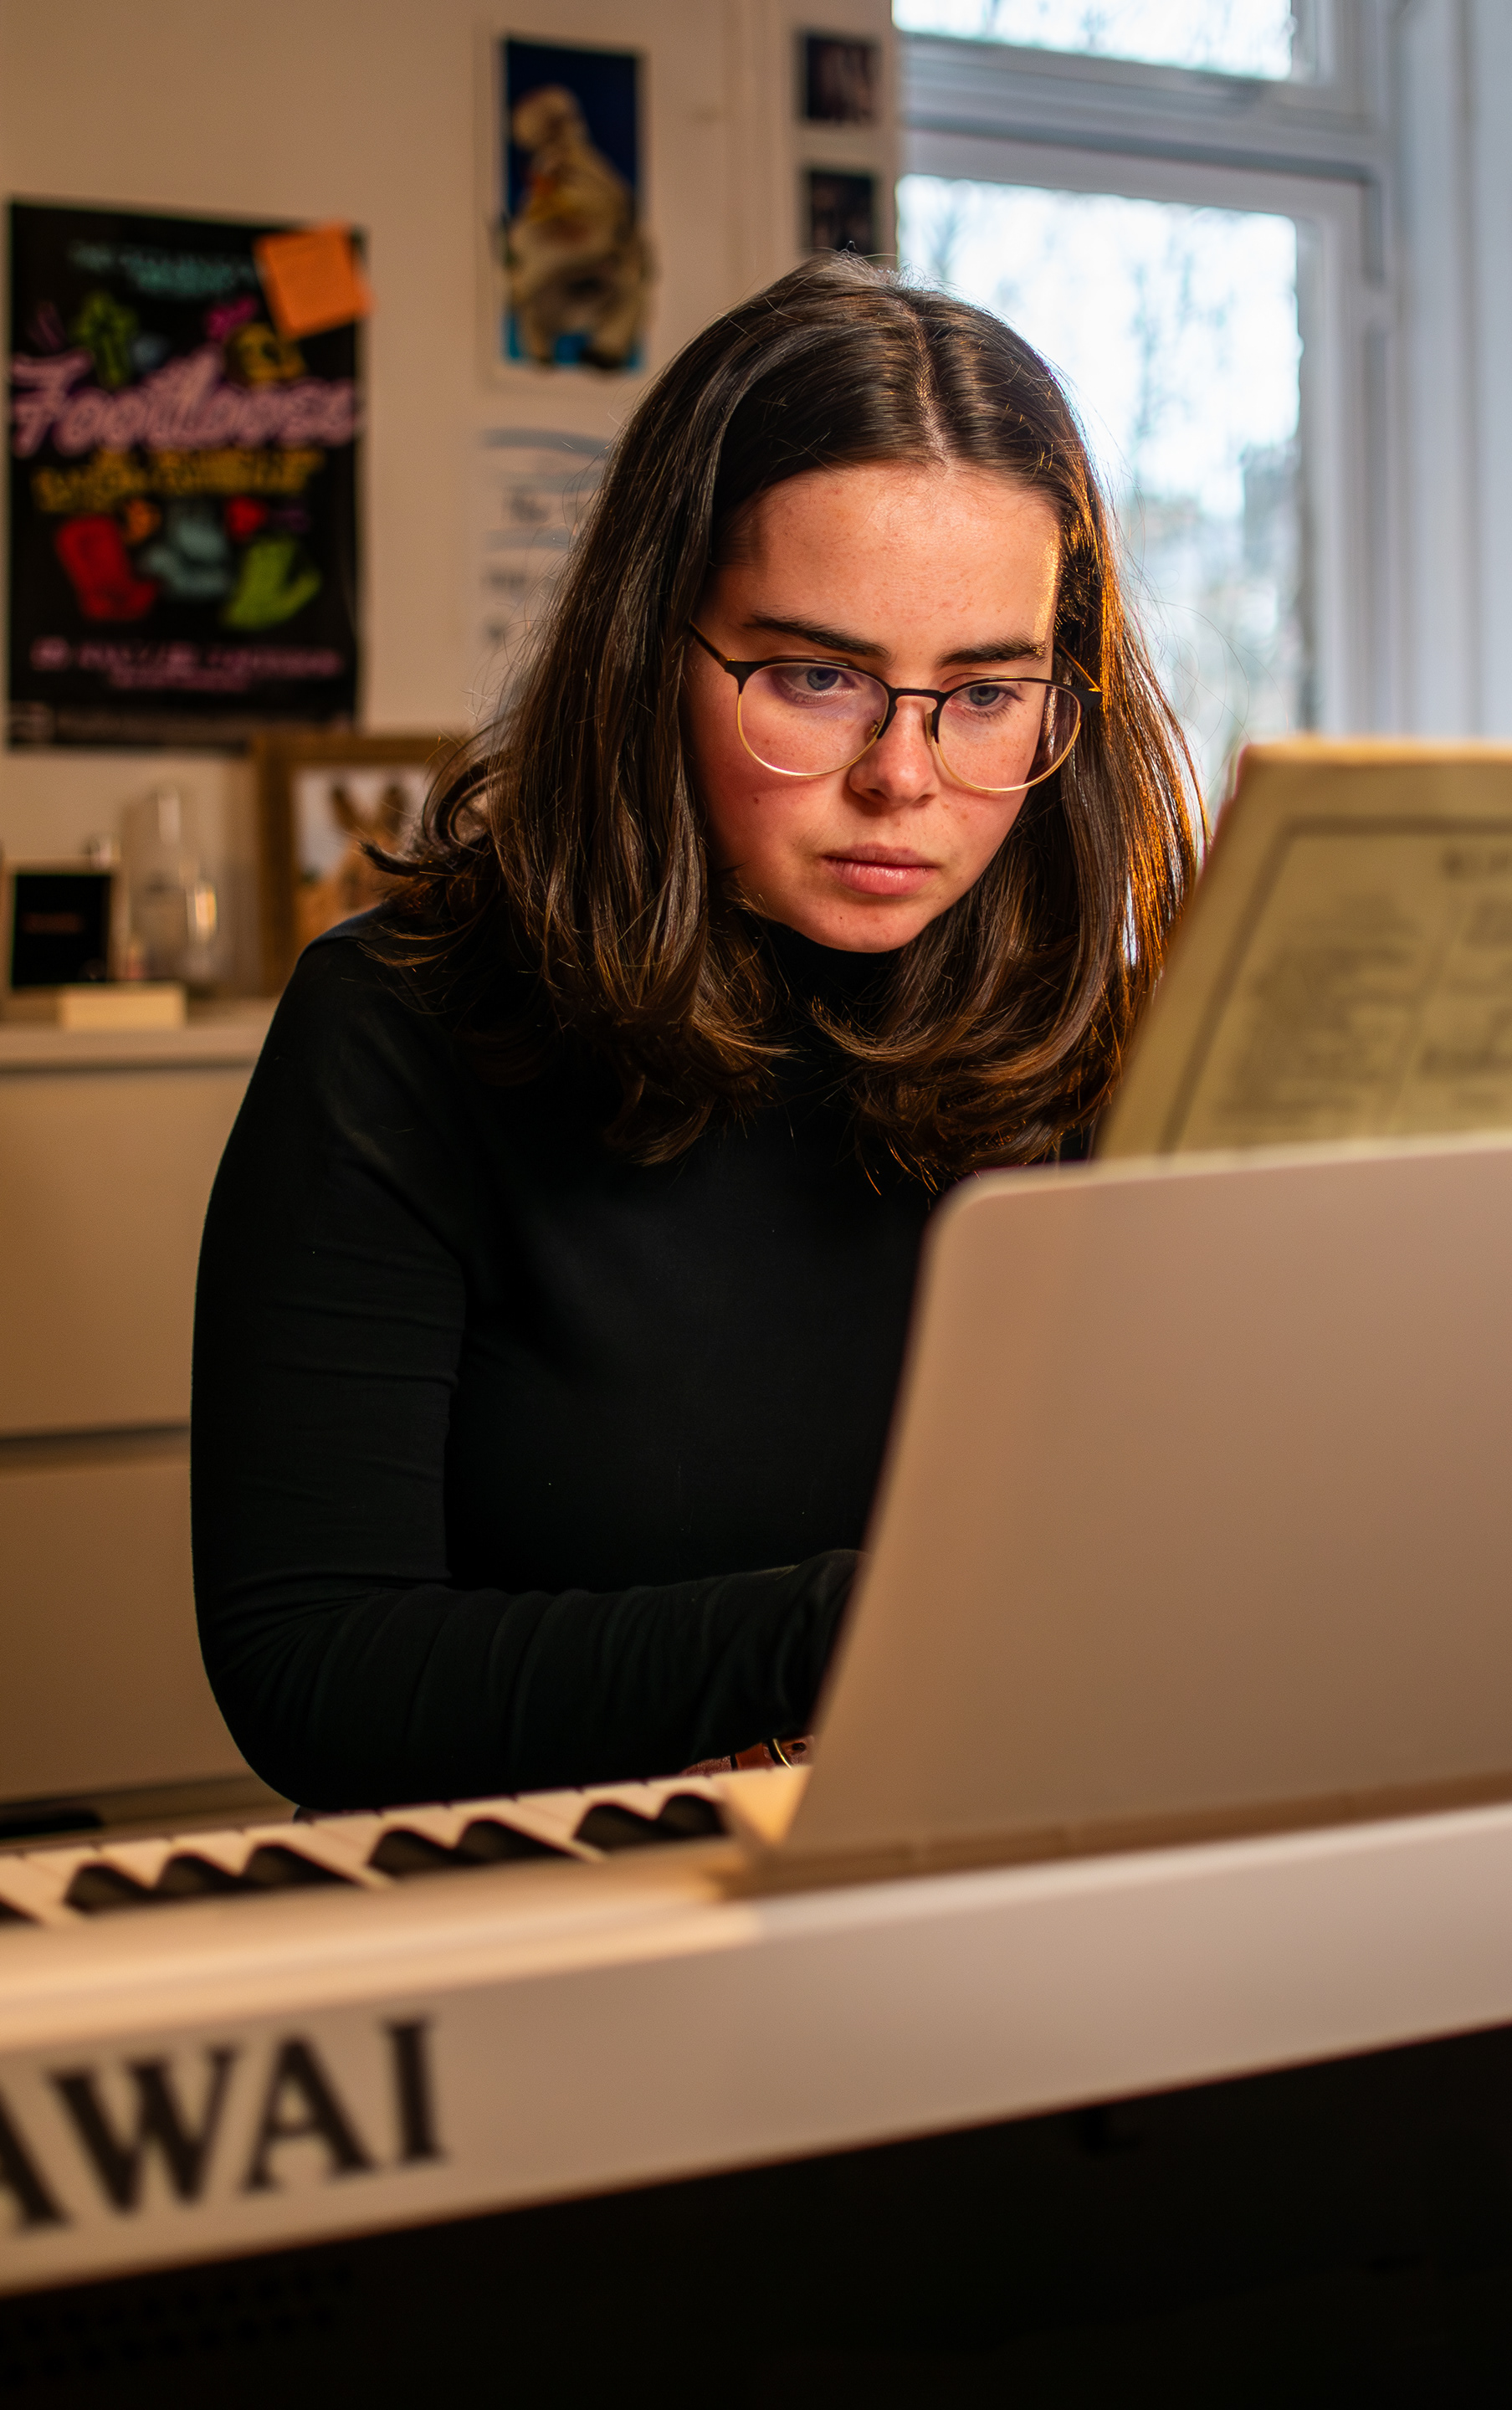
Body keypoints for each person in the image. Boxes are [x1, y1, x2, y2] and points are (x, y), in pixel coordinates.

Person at [192, 254, 1197, 1813]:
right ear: (653, 651)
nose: (905, 781)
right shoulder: (396, 1028)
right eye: (816, 676)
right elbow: (314, 1671)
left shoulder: (1112, 1039)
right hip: (564, 1932)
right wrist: (860, 1625)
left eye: (987, 693)